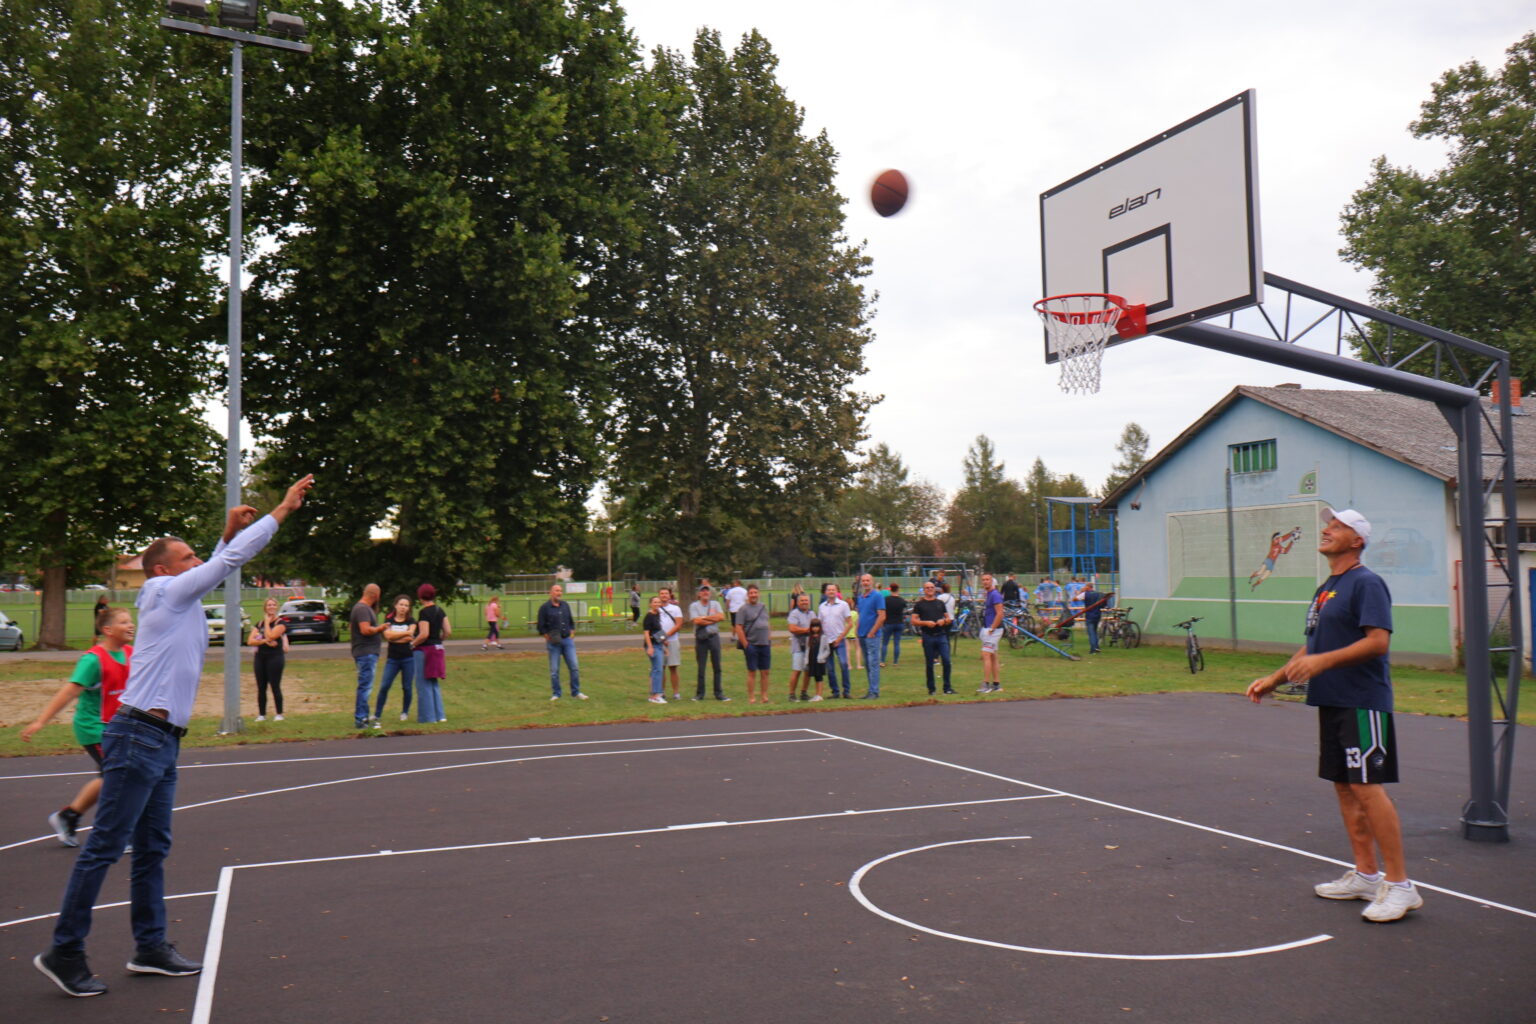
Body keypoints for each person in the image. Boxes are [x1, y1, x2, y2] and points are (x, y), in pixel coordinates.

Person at [34, 475, 313, 998]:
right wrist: (280, 511)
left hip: (162, 739)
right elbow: (224, 565)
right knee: (105, 848)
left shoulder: (176, 595)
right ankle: (64, 951)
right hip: (138, 734)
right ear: (163, 570)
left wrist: (225, 534)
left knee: (152, 848)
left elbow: (214, 563)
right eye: (188, 557)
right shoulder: (162, 592)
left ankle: (149, 948)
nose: (198, 562)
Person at [1247, 508, 1421, 923]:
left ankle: (1400, 885)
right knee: (1345, 787)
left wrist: (1322, 663)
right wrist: (1274, 679)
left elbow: (1377, 642)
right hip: (1333, 700)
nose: (1327, 530)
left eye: (1338, 526)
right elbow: (1313, 646)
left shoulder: (1367, 582)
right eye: (1328, 525)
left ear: (1358, 540)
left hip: (1363, 701)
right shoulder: (1327, 588)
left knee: (1367, 787)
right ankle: (1366, 875)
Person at [23, 606, 135, 846]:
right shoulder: (93, 660)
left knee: (112, 776)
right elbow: (69, 692)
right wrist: (41, 721)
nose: (131, 625)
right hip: (94, 728)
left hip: (118, 727)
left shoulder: (130, 653)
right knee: (120, 777)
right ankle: (116, 835)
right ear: (108, 630)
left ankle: (69, 816)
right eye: (124, 622)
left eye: (131, 621)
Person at [538, 583, 585, 701]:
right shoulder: (545, 608)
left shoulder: (565, 605)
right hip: (554, 643)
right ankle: (556, 693)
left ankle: (576, 692)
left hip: (567, 641)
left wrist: (572, 632)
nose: (559, 593)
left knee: (574, 667)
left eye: (560, 591)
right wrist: (547, 636)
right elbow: (541, 626)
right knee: (554, 670)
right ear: (551, 592)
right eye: (556, 591)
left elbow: (570, 621)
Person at [376, 595, 418, 721]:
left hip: (408, 659)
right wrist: (405, 633)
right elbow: (388, 636)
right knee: (385, 686)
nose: (403, 607)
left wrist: (398, 636)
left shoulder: (411, 621)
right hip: (392, 659)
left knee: (407, 687)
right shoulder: (389, 620)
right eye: (401, 604)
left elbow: (411, 637)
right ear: (395, 605)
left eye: (406, 605)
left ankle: (405, 712)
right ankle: (377, 714)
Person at [350, 584, 386, 729]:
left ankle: (364, 716)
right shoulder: (362, 609)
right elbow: (365, 630)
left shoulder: (362, 608)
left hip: (366, 652)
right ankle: (361, 719)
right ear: (376, 595)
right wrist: (380, 628)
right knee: (365, 686)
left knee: (366, 685)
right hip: (366, 653)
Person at [413, 583, 450, 722]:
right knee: (434, 681)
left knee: (423, 683)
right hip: (438, 648)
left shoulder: (424, 613)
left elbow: (424, 634)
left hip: (424, 650)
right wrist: (439, 639)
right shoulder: (440, 610)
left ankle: (427, 717)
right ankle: (440, 715)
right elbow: (448, 631)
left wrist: (412, 644)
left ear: (420, 596)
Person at [247, 597, 288, 721]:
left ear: (277, 607)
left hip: (275, 657)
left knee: (275, 685)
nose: (271, 607)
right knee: (261, 686)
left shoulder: (280, 623)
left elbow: (271, 635)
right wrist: (264, 641)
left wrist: (267, 623)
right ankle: (262, 714)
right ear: (265, 608)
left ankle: (279, 714)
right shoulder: (258, 624)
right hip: (260, 657)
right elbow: (250, 641)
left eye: (273, 605)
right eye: (268, 605)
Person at [911, 580, 954, 695]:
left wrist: (944, 621)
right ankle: (932, 689)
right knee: (930, 663)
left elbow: (948, 618)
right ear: (924, 590)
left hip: (941, 635)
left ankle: (947, 688)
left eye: (932, 587)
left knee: (946, 660)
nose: (930, 589)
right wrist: (925, 623)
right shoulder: (920, 604)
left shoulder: (940, 603)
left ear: (935, 589)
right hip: (928, 636)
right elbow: (913, 620)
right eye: (927, 588)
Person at [688, 584, 729, 701]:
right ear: (699, 594)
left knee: (717, 666)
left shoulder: (715, 604)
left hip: (714, 637)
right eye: (703, 591)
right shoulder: (694, 606)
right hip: (701, 639)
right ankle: (700, 694)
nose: (705, 593)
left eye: (707, 591)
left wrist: (704, 618)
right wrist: (712, 619)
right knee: (701, 667)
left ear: (710, 593)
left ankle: (718, 693)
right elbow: (696, 621)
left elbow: (721, 617)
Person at [734, 584, 773, 703]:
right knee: (752, 671)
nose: (753, 595)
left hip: (764, 644)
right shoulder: (743, 609)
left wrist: (769, 638)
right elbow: (739, 627)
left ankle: (764, 696)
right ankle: (751, 697)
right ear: (747, 595)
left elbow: (767, 623)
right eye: (751, 593)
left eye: (755, 593)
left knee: (765, 671)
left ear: (758, 594)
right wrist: (746, 645)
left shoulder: (763, 607)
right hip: (752, 644)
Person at [817, 584, 853, 699]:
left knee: (843, 664)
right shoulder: (822, 606)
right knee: (830, 668)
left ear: (837, 591)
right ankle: (835, 692)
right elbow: (819, 623)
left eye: (833, 590)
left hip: (839, 640)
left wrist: (840, 637)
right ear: (825, 592)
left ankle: (846, 691)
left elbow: (850, 623)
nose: (831, 591)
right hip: (827, 641)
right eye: (829, 590)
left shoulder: (843, 605)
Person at [854, 574, 886, 699]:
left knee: (873, 664)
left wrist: (872, 632)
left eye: (867, 580)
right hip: (862, 634)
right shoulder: (861, 597)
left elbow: (882, 616)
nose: (865, 583)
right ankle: (870, 689)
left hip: (872, 636)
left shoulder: (877, 596)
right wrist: (857, 629)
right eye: (863, 581)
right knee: (867, 664)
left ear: (872, 582)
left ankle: (874, 691)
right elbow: (860, 615)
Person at [786, 592, 819, 701]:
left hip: (810, 647)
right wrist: (807, 630)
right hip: (798, 647)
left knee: (808, 671)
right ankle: (791, 694)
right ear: (797, 602)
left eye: (806, 600)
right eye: (802, 600)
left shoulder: (812, 614)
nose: (804, 602)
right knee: (797, 670)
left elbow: (817, 627)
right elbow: (792, 628)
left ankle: (804, 693)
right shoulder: (794, 613)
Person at [978, 572, 1005, 693]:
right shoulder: (989, 594)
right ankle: (996, 684)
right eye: (983, 580)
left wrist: (992, 628)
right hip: (989, 628)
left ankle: (986, 684)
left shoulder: (995, 594)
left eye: (987, 579)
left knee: (986, 654)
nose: (985, 582)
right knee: (993, 656)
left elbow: (1000, 613)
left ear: (992, 580)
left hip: (994, 629)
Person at [659, 587, 684, 700]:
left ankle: (676, 693)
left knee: (673, 667)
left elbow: (678, 625)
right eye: (662, 593)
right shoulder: (656, 608)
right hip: (660, 642)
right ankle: (662, 692)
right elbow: (653, 626)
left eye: (666, 593)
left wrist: (667, 636)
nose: (664, 595)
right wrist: (661, 638)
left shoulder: (675, 609)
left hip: (673, 640)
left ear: (669, 595)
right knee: (661, 667)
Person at [642, 596, 668, 704]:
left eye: (659, 602)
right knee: (658, 669)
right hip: (652, 645)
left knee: (656, 669)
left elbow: (658, 631)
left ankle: (654, 694)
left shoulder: (657, 614)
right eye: (655, 602)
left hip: (658, 644)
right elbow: (646, 633)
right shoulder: (649, 616)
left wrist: (664, 643)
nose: (657, 604)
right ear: (650, 604)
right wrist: (650, 647)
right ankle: (656, 695)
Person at [880, 582, 906, 667]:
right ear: (898, 589)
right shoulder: (901, 600)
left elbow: (883, 610)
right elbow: (904, 611)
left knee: (885, 643)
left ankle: (882, 661)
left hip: (888, 623)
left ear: (890, 589)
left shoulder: (886, 599)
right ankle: (895, 662)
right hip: (899, 623)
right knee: (897, 643)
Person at [1080, 581, 1107, 654]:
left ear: (1087, 587)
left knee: (1091, 633)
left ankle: (1094, 649)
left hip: (1089, 616)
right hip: (1097, 615)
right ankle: (1097, 647)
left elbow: (1075, 599)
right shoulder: (1098, 594)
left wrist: (1081, 591)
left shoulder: (1085, 594)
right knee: (1094, 632)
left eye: (1085, 586)